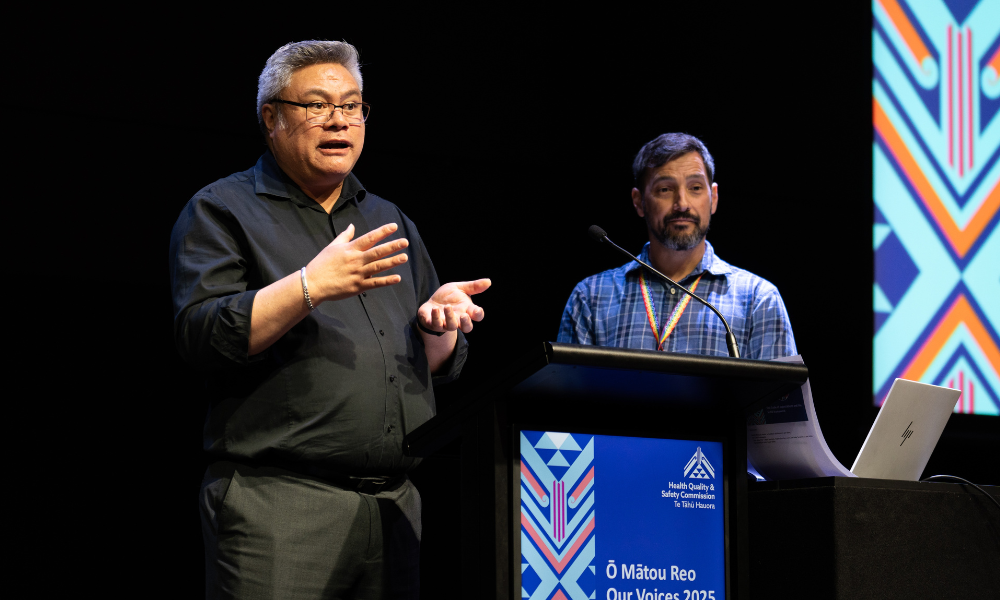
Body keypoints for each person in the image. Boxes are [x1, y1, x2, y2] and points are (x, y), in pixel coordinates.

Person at [169, 40, 489, 599]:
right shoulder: (222, 209)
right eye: (317, 105)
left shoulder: (387, 218)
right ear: (272, 118)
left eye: (352, 106)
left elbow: (429, 365)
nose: (339, 121)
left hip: (394, 508)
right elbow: (203, 335)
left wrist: (438, 329)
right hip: (281, 509)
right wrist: (310, 286)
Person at [557, 133, 795, 360]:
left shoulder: (758, 300)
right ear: (639, 202)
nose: (682, 204)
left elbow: (781, 402)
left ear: (713, 197)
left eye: (695, 188)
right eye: (665, 190)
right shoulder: (590, 298)